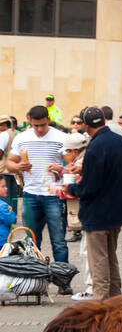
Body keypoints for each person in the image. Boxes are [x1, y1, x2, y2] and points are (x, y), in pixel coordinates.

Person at [61, 106, 122, 299]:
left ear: (85, 125)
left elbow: (90, 186)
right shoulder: (120, 142)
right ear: (104, 120)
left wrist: (70, 189)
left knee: (98, 261)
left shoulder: (96, 146)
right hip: (118, 210)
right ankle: (116, 300)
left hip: (98, 211)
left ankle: (102, 305)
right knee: (111, 258)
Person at [5, 105, 71, 268]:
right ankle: (35, 276)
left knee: (59, 240)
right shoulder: (22, 137)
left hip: (54, 195)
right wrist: (18, 167)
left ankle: (62, 278)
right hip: (30, 194)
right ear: (29, 121)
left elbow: (71, 164)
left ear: (48, 120)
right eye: (36, 125)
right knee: (31, 240)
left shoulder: (61, 137)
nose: (40, 129)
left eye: (43, 125)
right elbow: (9, 163)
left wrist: (60, 169)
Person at [0, 115, 19, 212]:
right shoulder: (16, 133)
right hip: (14, 170)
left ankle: (5, 220)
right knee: (12, 197)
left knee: (4, 197)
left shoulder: (4, 134)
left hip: (3, 169)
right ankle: (13, 219)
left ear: (3, 124)